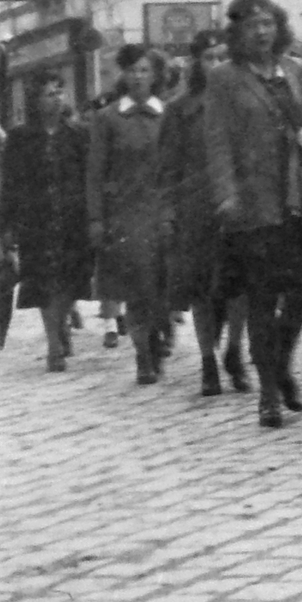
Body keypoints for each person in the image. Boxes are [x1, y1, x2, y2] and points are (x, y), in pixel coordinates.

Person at [205, 0, 302, 428]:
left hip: (298, 197)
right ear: (237, 31)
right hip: (253, 204)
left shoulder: (296, 70)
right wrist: (225, 194)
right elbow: (216, 140)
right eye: (252, 25)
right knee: (261, 296)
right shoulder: (225, 77)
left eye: (268, 23)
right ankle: (269, 394)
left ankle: (282, 363)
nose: (262, 32)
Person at [158, 29, 249, 396]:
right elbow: (166, 168)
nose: (216, 64)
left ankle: (235, 350)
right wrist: (167, 211)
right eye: (209, 57)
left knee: (240, 285)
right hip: (196, 209)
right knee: (201, 289)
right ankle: (209, 361)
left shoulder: (242, 99)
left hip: (239, 206)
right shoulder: (180, 110)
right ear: (196, 63)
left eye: (222, 56)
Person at [0, 72, 92, 373]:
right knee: (44, 281)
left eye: (59, 92)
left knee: (68, 278)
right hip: (36, 219)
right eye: (48, 93)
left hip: (70, 217)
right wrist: (7, 223)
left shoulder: (77, 134)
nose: (56, 98)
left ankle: (61, 321)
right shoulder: (20, 137)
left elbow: (87, 176)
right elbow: (11, 181)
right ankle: (54, 343)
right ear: (35, 101)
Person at [88, 45, 170, 385]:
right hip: (125, 214)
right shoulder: (107, 119)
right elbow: (94, 172)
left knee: (162, 286)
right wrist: (95, 218)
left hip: (162, 212)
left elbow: (176, 168)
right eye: (132, 70)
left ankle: (156, 338)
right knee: (137, 287)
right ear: (123, 75)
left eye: (144, 71)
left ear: (154, 76)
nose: (138, 77)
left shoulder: (167, 115)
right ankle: (142, 355)